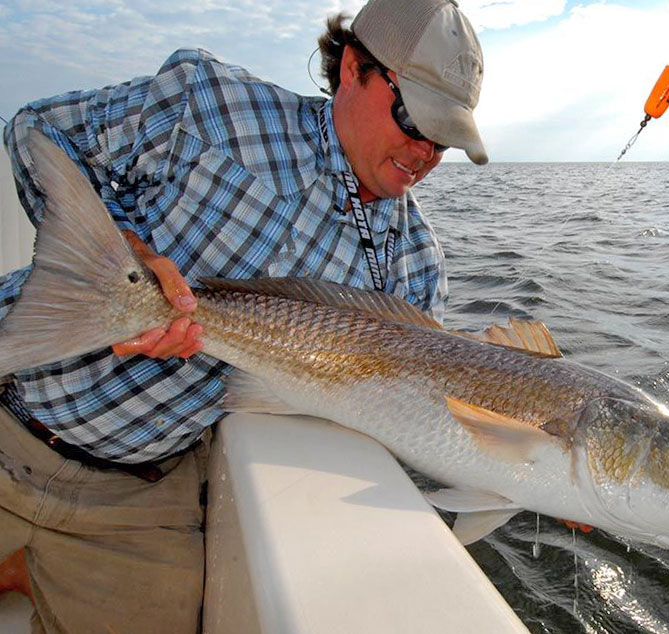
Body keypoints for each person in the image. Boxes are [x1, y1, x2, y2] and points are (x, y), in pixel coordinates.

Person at [0, 0, 486, 631]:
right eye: (413, 118)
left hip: (137, 494)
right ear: (355, 69)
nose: (424, 152)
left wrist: (556, 479)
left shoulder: (413, 270)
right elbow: (39, 131)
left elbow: (425, 423)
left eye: (444, 136)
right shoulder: (213, 104)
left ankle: (34, 567)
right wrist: (134, 253)